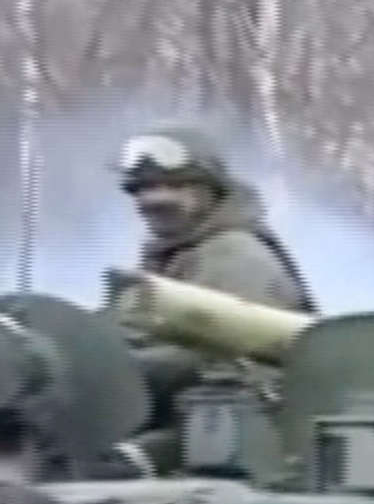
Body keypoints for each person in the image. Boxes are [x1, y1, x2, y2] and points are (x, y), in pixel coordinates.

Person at [102, 131, 312, 422]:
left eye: (172, 187)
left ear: (207, 190)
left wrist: (114, 369)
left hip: (239, 421)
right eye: (142, 190)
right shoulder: (175, 253)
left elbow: (224, 360)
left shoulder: (233, 256)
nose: (153, 200)